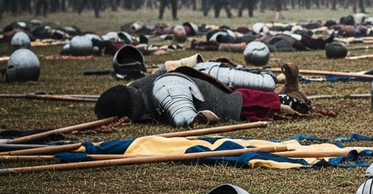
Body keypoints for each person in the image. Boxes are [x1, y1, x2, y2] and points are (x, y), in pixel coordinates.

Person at [94, 62, 308, 128]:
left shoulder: (165, 91)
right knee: (261, 91)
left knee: (275, 102)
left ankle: (292, 92)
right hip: (217, 90)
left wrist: (197, 120)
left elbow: (186, 118)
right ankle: (288, 87)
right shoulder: (138, 86)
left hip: (232, 102)